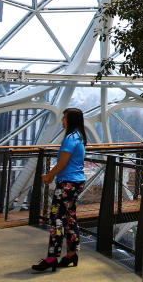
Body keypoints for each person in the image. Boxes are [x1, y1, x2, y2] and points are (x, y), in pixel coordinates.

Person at [32, 108, 87, 272]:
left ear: (71, 120)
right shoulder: (79, 137)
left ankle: (51, 258)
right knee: (70, 218)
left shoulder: (70, 139)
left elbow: (62, 163)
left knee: (56, 218)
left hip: (67, 183)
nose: (62, 120)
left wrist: (49, 176)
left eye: (64, 117)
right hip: (77, 182)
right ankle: (71, 254)